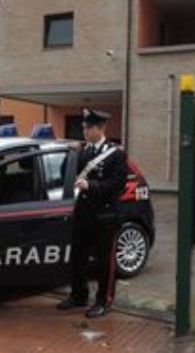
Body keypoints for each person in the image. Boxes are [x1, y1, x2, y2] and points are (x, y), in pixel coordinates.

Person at [57, 108, 130, 318]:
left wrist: (91, 185)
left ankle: (103, 300)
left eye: (88, 128)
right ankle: (78, 296)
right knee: (78, 258)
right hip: (83, 213)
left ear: (100, 129)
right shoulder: (84, 151)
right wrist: (70, 155)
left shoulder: (116, 154)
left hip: (105, 216)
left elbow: (118, 184)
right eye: (84, 128)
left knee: (104, 262)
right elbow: (67, 175)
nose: (85, 132)